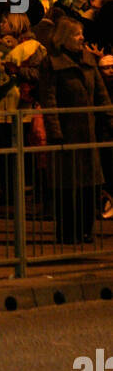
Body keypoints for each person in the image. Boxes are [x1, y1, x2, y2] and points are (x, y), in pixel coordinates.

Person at [39, 15, 113, 244]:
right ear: (64, 38)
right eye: (76, 34)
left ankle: (85, 229)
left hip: (88, 133)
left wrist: (110, 119)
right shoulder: (52, 64)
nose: (82, 38)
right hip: (67, 134)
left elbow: (101, 96)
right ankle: (67, 232)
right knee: (66, 187)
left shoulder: (89, 61)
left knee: (89, 186)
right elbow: (49, 100)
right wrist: (55, 132)